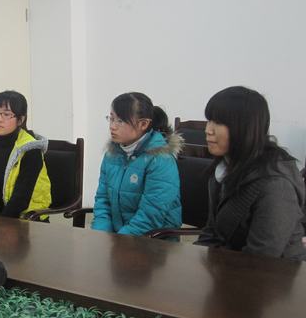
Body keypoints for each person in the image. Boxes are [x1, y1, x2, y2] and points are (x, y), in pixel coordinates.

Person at [195, 86, 305, 260]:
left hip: (273, 273)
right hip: (230, 267)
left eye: (219, 122)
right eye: (209, 120)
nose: (208, 129)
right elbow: (211, 233)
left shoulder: (276, 185)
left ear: (246, 128)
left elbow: (261, 257)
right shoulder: (222, 170)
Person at [91, 92, 182, 236]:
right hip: (118, 238)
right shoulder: (112, 154)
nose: (112, 126)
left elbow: (150, 216)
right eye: (111, 119)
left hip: (154, 241)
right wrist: (100, 236)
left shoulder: (160, 159)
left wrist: (118, 241)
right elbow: (103, 201)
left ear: (143, 124)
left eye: (120, 121)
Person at [0, 90, 51, 219]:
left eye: (6, 114)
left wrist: (0, 225)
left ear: (20, 120)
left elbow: (21, 198)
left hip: (28, 219)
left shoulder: (31, 149)